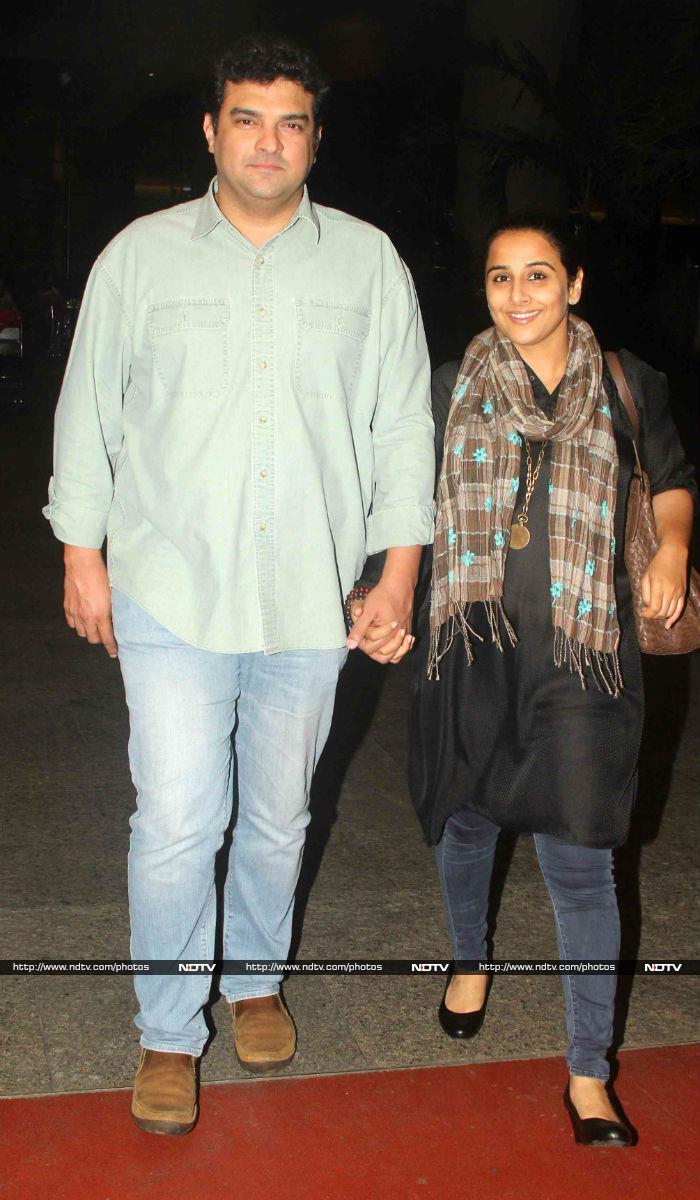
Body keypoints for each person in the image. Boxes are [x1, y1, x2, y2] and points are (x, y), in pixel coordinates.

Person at [43, 35, 435, 1135]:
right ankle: (170, 1030)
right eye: (247, 118)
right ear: (212, 130)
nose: (269, 141)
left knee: (278, 812)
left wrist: (397, 575)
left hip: (310, 594)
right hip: (171, 584)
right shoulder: (140, 257)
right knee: (176, 818)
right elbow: (89, 412)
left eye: (291, 121)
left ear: (316, 136)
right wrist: (83, 553)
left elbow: (406, 427)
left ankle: (253, 978)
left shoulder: (367, 263)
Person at [357, 213, 696, 1146]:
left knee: (582, 861)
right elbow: (396, 501)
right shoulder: (445, 388)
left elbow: (670, 475)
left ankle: (589, 1073)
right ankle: (470, 959)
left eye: (539, 275)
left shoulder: (628, 385)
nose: (519, 295)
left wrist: (671, 546)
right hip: (472, 647)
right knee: (464, 820)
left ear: (575, 283)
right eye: (501, 278)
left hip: (585, 657)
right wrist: (375, 595)